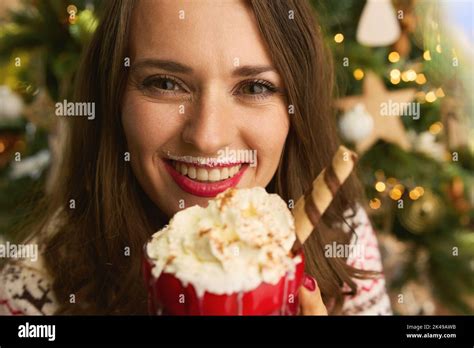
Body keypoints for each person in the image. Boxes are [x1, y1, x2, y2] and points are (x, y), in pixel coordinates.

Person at [0, 0, 391, 315]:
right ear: (113, 98)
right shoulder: (30, 292)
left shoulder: (344, 234)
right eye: (166, 84)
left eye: (254, 87)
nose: (207, 137)